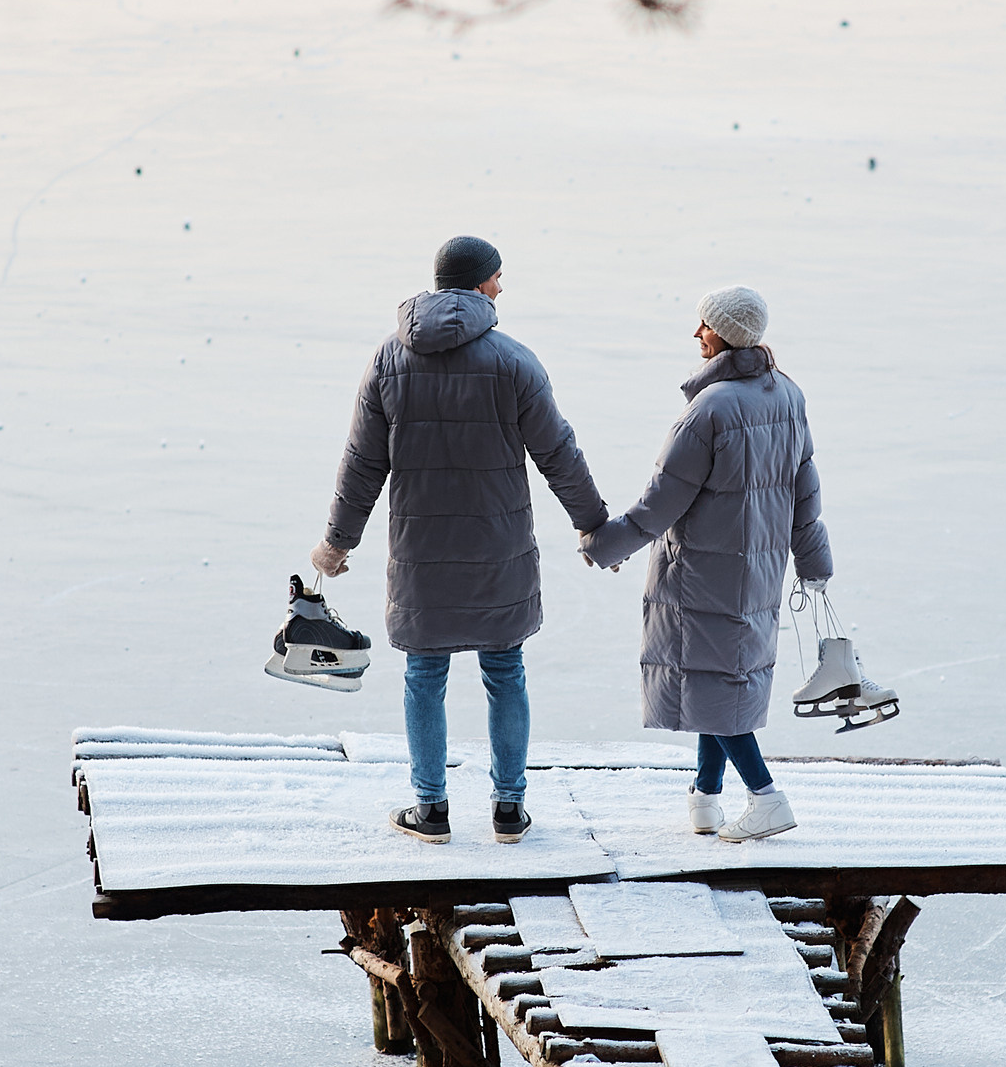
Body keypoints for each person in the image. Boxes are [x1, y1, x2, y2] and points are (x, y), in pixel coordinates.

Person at [313, 235, 608, 847]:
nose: (502, 288)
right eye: (499, 278)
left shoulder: (388, 360)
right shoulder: (514, 361)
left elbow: (362, 462)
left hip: (421, 554)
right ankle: (508, 810)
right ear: (479, 285)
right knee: (505, 670)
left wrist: (338, 543)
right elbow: (558, 452)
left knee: (424, 674)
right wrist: (592, 521)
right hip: (499, 547)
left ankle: (432, 810)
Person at [579, 286, 830, 843]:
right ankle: (706, 796)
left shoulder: (711, 409)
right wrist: (813, 560)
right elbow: (805, 485)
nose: (697, 334)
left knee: (716, 683)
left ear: (729, 335)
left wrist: (604, 546)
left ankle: (766, 797)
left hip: (704, 571)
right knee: (714, 676)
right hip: (758, 566)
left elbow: (662, 500)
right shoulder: (787, 394)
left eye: (706, 327)